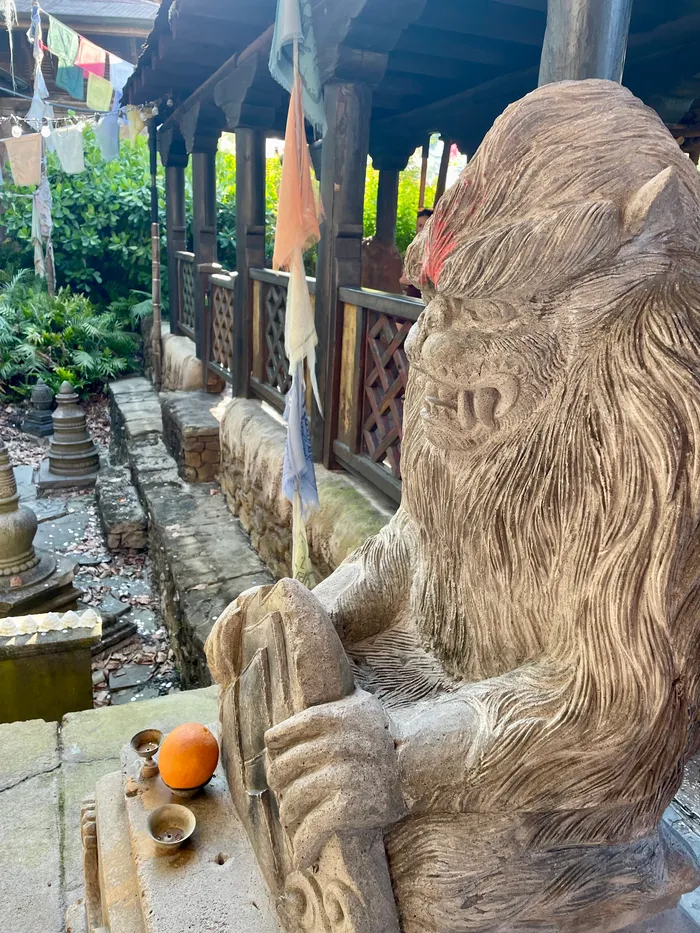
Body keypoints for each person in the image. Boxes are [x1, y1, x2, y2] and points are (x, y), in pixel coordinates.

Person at [401, 208, 433, 298]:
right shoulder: (413, 247)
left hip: (428, 296)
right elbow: (404, 275)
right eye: (420, 225)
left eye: (425, 225)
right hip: (412, 296)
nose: (422, 229)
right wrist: (402, 280)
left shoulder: (436, 249)